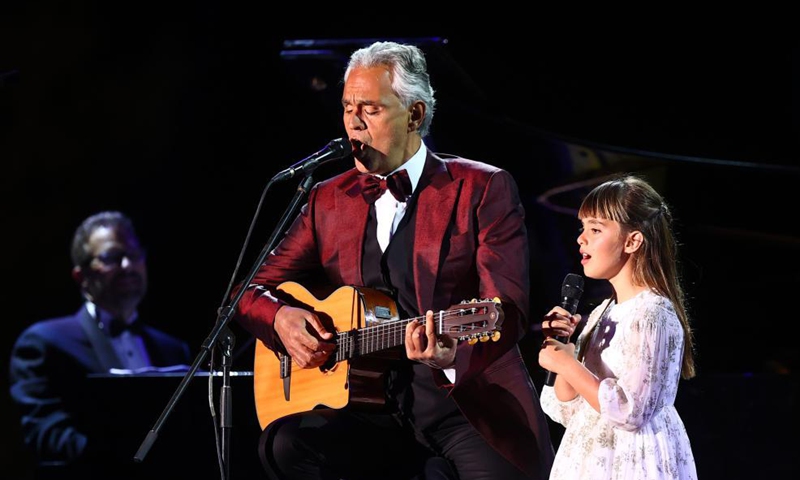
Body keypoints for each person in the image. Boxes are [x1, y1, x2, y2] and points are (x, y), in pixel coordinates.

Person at [232, 41, 555, 479]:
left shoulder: (481, 188)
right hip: (366, 408)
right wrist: (282, 318)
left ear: (415, 115)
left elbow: (508, 312)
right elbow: (248, 291)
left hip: (463, 405)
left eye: (370, 108)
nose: (353, 123)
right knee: (284, 445)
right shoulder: (327, 198)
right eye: (347, 108)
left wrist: (448, 356)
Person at [8, 210, 192, 477]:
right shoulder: (43, 343)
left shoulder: (173, 349)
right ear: (81, 276)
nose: (128, 265)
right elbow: (46, 435)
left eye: (135, 254)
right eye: (111, 257)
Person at [537, 175, 697, 479]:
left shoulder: (652, 313)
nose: (581, 238)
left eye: (595, 229)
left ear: (632, 241)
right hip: (590, 458)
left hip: (632, 461)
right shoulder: (602, 313)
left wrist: (569, 365)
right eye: (582, 227)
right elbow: (569, 410)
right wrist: (564, 351)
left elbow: (630, 412)